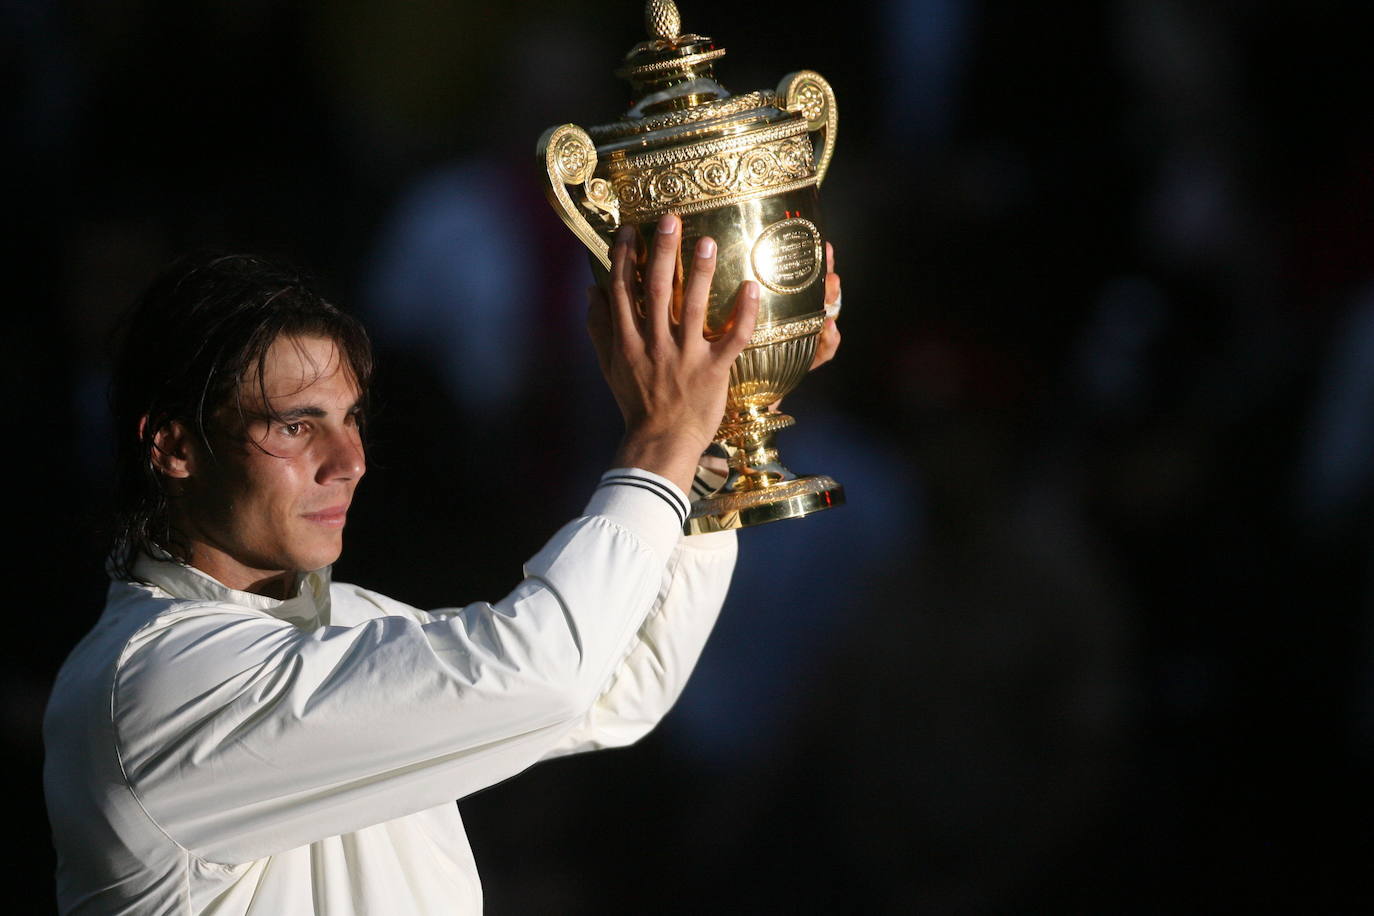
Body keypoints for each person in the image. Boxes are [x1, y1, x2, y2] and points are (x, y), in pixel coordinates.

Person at [42, 213, 841, 914]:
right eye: (295, 426)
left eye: (351, 419)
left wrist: (706, 441)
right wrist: (660, 444)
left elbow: (610, 687)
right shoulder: (150, 684)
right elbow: (543, 671)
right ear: (174, 447)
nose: (348, 460)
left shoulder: (350, 622)